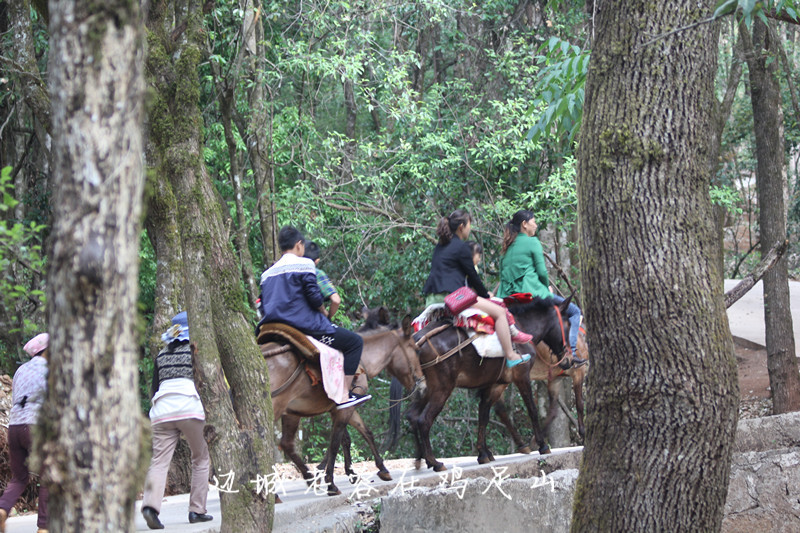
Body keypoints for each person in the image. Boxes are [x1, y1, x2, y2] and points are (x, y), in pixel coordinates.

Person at [258, 226, 371, 409]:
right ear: (299, 245)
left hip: (270, 327)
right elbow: (313, 296)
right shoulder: (305, 265)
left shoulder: (267, 274)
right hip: (304, 326)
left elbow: (263, 305)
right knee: (354, 342)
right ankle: (344, 395)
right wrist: (323, 312)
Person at [422, 209, 532, 368]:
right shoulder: (461, 247)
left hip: (432, 297)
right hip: (453, 296)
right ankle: (510, 355)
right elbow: (472, 276)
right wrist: (485, 295)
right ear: (461, 227)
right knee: (500, 312)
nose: (470, 229)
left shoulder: (441, 245)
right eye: (469, 225)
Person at [141, 312, 213, 530]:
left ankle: (150, 507)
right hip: (190, 408)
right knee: (200, 458)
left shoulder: (161, 355)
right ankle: (197, 510)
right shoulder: (196, 351)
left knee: (159, 461)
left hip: (162, 411)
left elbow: (154, 388)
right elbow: (205, 383)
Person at [497, 209, 586, 368]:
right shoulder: (532, 242)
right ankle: (571, 352)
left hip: (508, 298)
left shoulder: (506, 248)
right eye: (534, 221)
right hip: (531, 295)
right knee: (575, 311)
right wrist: (546, 290)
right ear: (524, 224)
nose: (536, 225)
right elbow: (542, 272)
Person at [0, 333, 50, 533]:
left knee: (19, 477)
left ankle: (2, 509)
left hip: (14, 428)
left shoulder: (21, 370)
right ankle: (44, 527)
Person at [304, 240, 342, 319]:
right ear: (317, 261)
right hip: (313, 320)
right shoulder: (317, 273)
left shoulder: (289, 272)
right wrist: (328, 317)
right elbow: (336, 300)